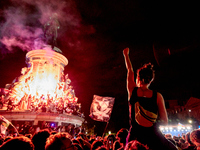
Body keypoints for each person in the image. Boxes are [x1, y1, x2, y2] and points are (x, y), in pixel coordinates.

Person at [123, 47, 177, 150]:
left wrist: (126, 55)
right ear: (151, 80)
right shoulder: (157, 96)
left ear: (138, 78)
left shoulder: (132, 91)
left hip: (135, 137)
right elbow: (165, 121)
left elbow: (130, 70)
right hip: (153, 137)